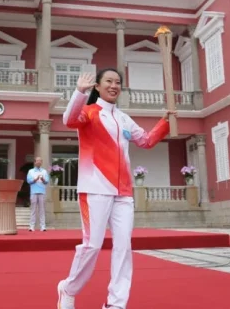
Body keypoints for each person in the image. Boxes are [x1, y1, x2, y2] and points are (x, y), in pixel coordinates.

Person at [57, 69, 175, 309]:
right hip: (95, 188)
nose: (114, 86)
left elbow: (146, 140)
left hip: (123, 193)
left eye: (118, 82)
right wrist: (79, 92)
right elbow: (69, 120)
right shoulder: (88, 113)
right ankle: (68, 288)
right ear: (98, 87)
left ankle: (116, 303)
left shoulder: (123, 118)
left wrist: (165, 121)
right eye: (109, 81)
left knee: (123, 247)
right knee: (92, 245)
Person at [27, 156, 49, 232]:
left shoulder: (44, 171)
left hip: (42, 192)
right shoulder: (31, 171)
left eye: (40, 161)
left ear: (41, 162)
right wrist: (35, 179)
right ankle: (31, 226)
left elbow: (47, 181)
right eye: (38, 161)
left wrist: (43, 179)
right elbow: (28, 181)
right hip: (33, 192)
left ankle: (43, 226)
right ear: (35, 162)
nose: (39, 162)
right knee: (33, 210)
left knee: (42, 210)